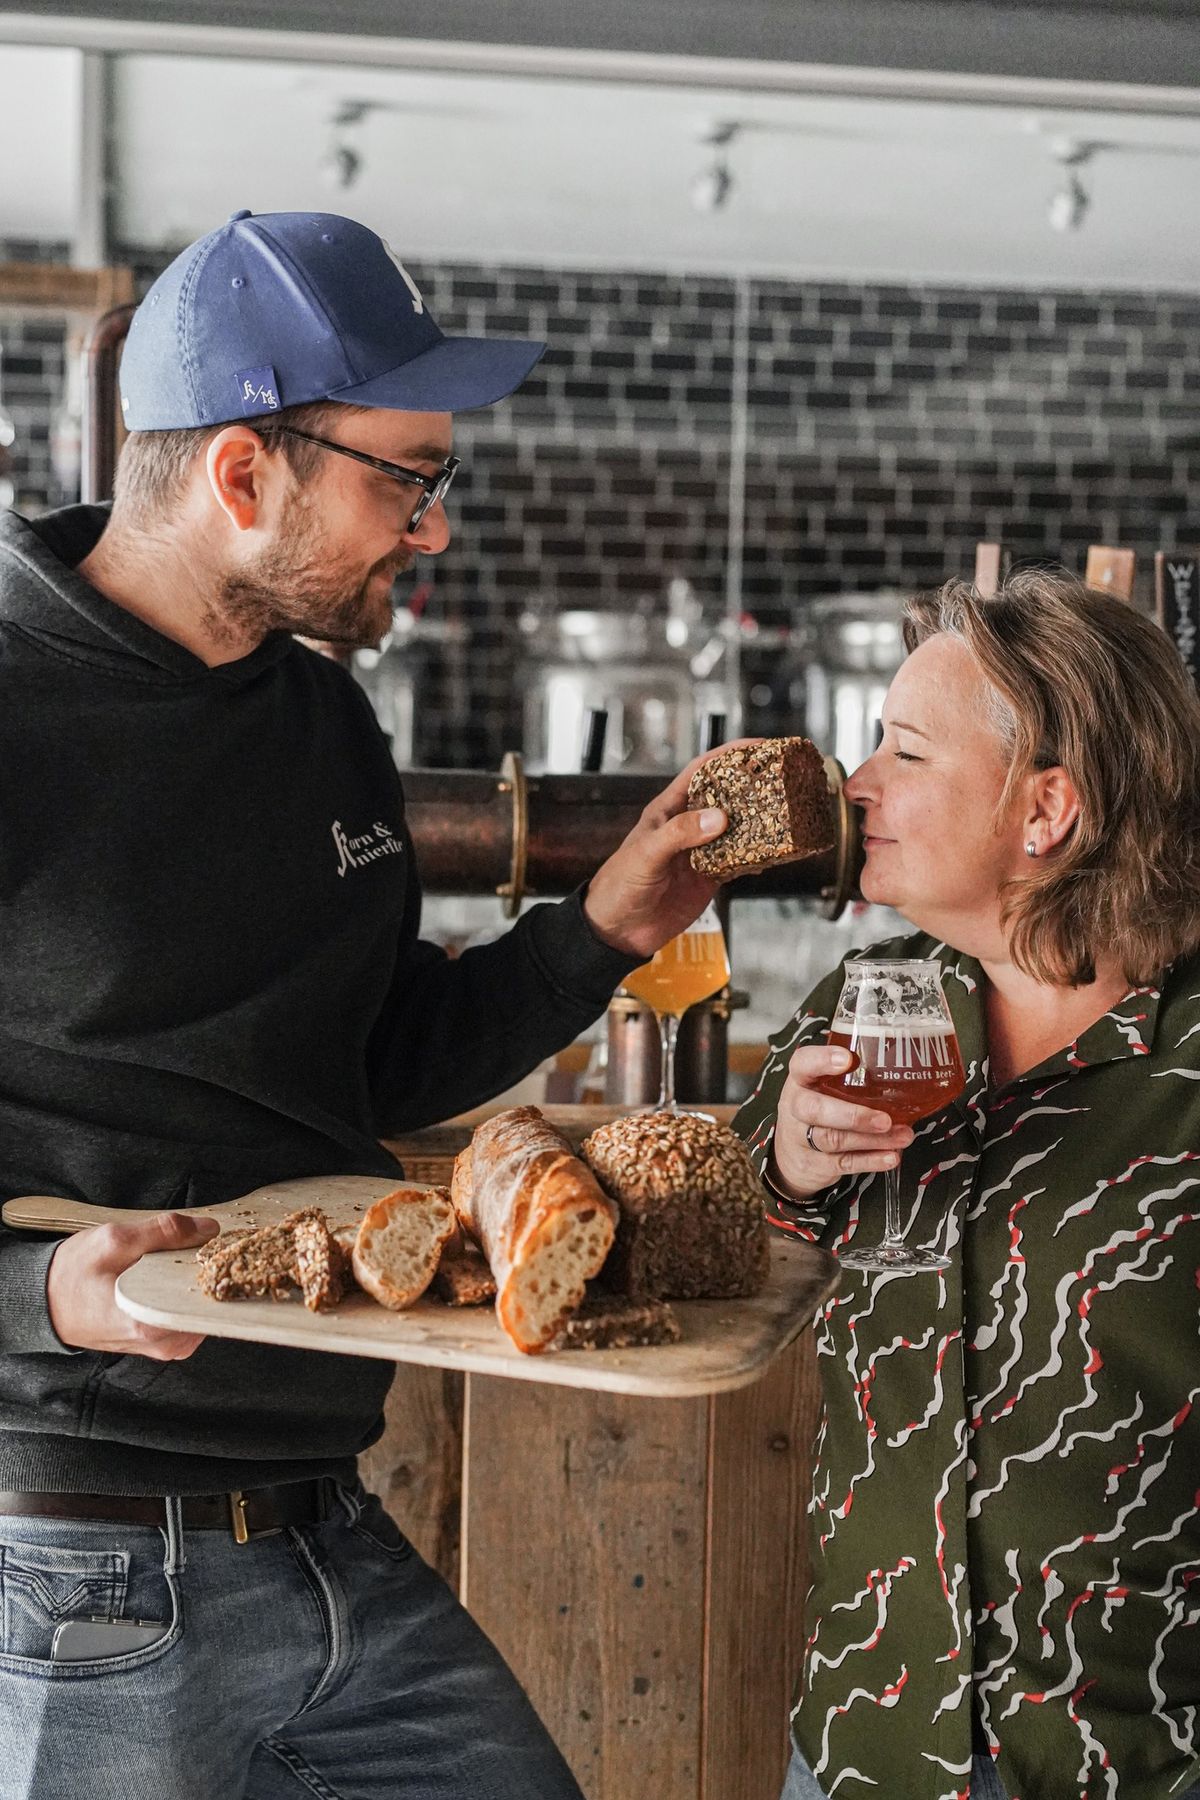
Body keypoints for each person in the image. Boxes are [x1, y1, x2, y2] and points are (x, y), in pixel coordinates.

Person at [0, 209, 731, 1800]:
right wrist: (42, 1299)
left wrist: (600, 928)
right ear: (244, 478)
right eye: (407, 478)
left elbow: (379, 1061)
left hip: (325, 1522)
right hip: (69, 1565)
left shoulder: (325, 721)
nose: (436, 531)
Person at [734, 571, 1200, 1800]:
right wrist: (787, 1162)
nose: (859, 784)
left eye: (906, 752)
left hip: (1131, 1752)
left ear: (1045, 808)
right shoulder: (868, 1005)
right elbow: (715, 1251)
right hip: (868, 1742)